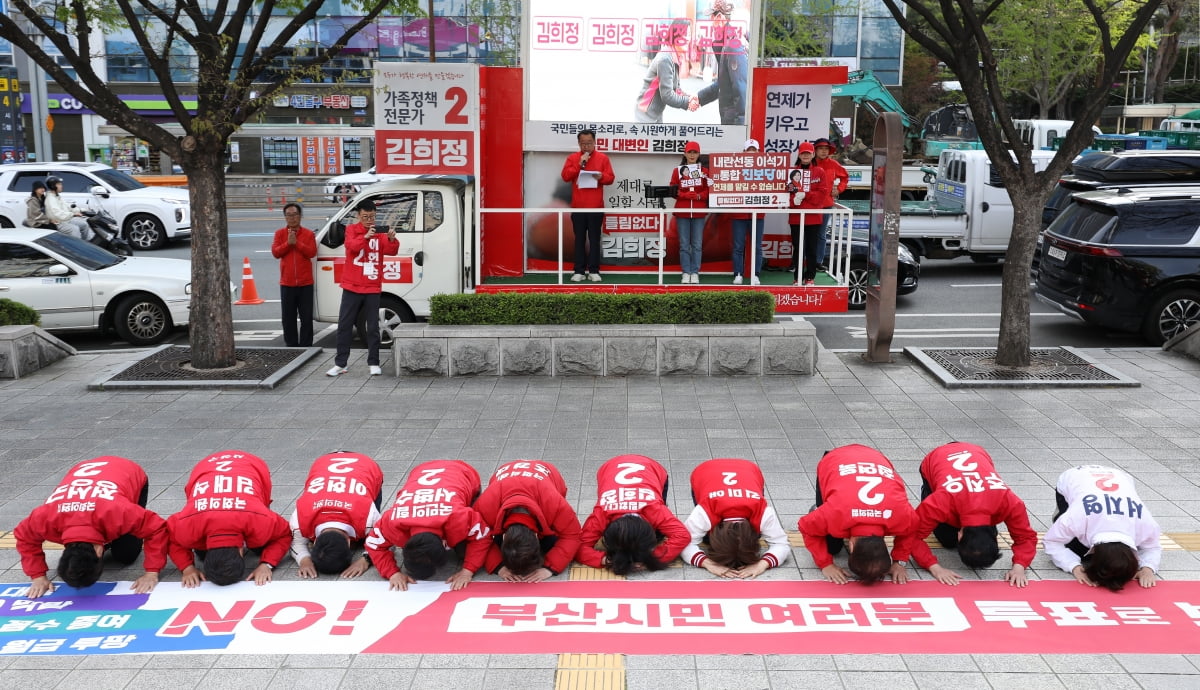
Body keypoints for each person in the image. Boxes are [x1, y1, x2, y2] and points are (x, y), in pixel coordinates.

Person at [14, 456, 168, 599]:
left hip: (126, 470)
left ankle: (108, 540)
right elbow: (24, 537)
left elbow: (157, 528)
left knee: (126, 556)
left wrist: (152, 572)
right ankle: (104, 538)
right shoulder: (45, 518)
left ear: (99, 551)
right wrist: (38, 577)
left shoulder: (119, 512)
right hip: (87, 476)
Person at [891, 442, 1037, 587]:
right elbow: (911, 534)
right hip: (938, 457)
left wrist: (1019, 567)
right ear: (959, 535)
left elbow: (1025, 537)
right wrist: (934, 567)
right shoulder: (941, 501)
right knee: (947, 540)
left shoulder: (1009, 501)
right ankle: (927, 490)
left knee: (961, 539)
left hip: (977, 453)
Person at [166, 450, 291, 587]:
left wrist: (267, 564)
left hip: (251, 465)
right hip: (206, 468)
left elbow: (284, 533)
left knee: (261, 546)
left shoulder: (260, 519)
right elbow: (169, 535)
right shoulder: (187, 525)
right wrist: (187, 568)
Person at [797, 444, 919, 585]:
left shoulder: (901, 516)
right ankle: (817, 509)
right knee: (832, 547)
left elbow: (913, 527)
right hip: (835, 460)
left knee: (832, 543)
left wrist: (899, 561)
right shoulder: (834, 513)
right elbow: (805, 526)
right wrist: (825, 564)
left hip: (875, 457)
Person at [365, 459, 492, 591]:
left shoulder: (460, 517)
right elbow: (373, 545)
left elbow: (483, 536)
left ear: (444, 544)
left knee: (464, 551)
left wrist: (468, 571)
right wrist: (392, 573)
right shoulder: (391, 523)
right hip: (421, 470)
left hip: (464, 471)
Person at [1043, 464, 1161, 591]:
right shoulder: (1076, 517)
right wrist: (1074, 567)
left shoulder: (1145, 523)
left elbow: (1153, 547)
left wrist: (1147, 568)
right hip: (1076, 475)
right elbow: (1051, 541)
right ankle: (1060, 514)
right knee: (1076, 550)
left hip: (1119, 476)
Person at [576, 455, 689, 575]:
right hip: (609, 468)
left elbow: (683, 535)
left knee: (660, 530)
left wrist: (650, 558)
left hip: (653, 468)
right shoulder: (601, 513)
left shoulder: (655, 509)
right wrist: (606, 560)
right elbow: (577, 547)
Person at [473, 459, 582, 583]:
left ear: (537, 536)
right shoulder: (485, 506)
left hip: (548, 474)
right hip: (505, 479)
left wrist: (550, 567)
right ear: (503, 536)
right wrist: (498, 566)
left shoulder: (554, 503)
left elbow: (573, 535)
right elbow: (475, 538)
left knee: (553, 542)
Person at [327, 198, 399, 377]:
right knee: (344, 325)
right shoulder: (351, 230)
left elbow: (392, 250)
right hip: (351, 285)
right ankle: (340, 363)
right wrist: (365, 237)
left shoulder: (380, 234)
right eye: (365, 216)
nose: (369, 220)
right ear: (358, 215)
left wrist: (391, 239)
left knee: (373, 326)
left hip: (372, 286)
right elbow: (351, 246)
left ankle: (373, 362)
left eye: (372, 216)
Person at [683, 458, 789, 578]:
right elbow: (683, 542)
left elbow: (782, 544)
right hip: (706, 471)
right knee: (705, 538)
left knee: (704, 536)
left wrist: (762, 564)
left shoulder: (763, 512)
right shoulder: (704, 512)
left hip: (747, 470)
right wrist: (708, 563)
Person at [290, 451, 385, 579]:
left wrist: (366, 560)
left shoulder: (368, 515)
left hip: (365, 465)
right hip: (324, 462)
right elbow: (296, 543)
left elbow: (386, 538)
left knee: (369, 533)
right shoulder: (299, 518)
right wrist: (304, 560)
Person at [560, 129, 615, 283]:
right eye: (583, 143)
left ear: (594, 142)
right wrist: (579, 165)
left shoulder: (603, 158)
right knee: (579, 240)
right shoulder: (572, 158)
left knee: (594, 239)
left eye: (589, 143)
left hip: (596, 207)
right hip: (578, 207)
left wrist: (601, 176)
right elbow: (565, 176)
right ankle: (579, 270)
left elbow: (611, 178)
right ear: (579, 143)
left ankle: (594, 270)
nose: (586, 146)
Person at [695, 0, 749, 125]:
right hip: (729, 117)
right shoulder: (725, 43)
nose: (710, 21)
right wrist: (700, 97)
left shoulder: (732, 46)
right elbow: (724, 82)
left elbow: (741, 90)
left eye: (711, 17)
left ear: (719, 17)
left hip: (733, 121)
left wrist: (740, 127)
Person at [271, 202, 317, 347]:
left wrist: (296, 243)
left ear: (300, 216)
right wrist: (288, 244)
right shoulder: (279, 234)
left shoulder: (308, 234)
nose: (292, 218)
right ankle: (291, 345)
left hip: (305, 283)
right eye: (289, 215)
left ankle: (306, 345)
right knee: (288, 318)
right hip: (287, 283)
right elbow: (276, 253)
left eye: (295, 214)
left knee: (306, 318)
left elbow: (311, 252)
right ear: (285, 217)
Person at [786, 142, 831, 286]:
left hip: (814, 217)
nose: (805, 156)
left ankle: (810, 277)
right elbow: (787, 196)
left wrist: (805, 195)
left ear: (813, 155)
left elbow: (822, 194)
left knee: (811, 248)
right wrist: (795, 201)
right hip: (796, 217)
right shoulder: (791, 172)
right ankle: (797, 277)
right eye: (803, 153)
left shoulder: (819, 172)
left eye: (808, 153)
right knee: (798, 248)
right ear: (799, 155)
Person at [634, 23, 698, 124]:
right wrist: (687, 102)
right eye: (685, 34)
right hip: (645, 114)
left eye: (689, 34)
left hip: (655, 112)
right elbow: (667, 95)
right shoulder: (665, 59)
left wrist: (689, 97)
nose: (688, 38)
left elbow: (676, 89)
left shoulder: (674, 56)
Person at [670, 142, 710, 284]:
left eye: (695, 152)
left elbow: (709, 189)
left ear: (699, 154)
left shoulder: (704, 171)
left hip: (699, 211)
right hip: (682, 211)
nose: (692, 155)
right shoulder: (677, 171)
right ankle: (686, 272)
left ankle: (695, 272)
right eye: (690, 152)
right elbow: (673, 190)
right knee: (684, 244)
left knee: (697, 244)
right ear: (685, 154)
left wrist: (698, 196)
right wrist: (684, 195)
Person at [812, 137, 849, 271]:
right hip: (809, 205)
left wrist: (838, 189)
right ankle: (800, 261)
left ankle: (818, 262)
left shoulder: (833, 164)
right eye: (820, 148)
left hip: (826, 204)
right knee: (806, 234)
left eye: (826, 149)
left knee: (821, 234)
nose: (823, 151)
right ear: (815, 150)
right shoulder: (809, 162)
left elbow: (845, 177)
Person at [730, 139, 764, 285]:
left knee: (757, 246)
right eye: (748, 150)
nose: (751, 153)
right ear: (743, 153)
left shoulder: (765, 169)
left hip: (758, 214)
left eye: (754, 150)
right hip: (739, 213)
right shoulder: (734, 168)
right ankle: (738, 274)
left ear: (758, 152)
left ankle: (755, 274)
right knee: (738, 246)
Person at [43, 176, 98, 241]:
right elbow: (57, 214)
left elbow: (68, 207)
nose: (61, 186)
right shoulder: (50, 199)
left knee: (84, 224)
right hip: (58, 223)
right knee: (74, 229)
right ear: (53, 186)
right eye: (59, 184)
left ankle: (88, 243)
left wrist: (82, 210)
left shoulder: (57, 196)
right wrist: (73, 214)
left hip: (65, 220)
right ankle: (78, 247)